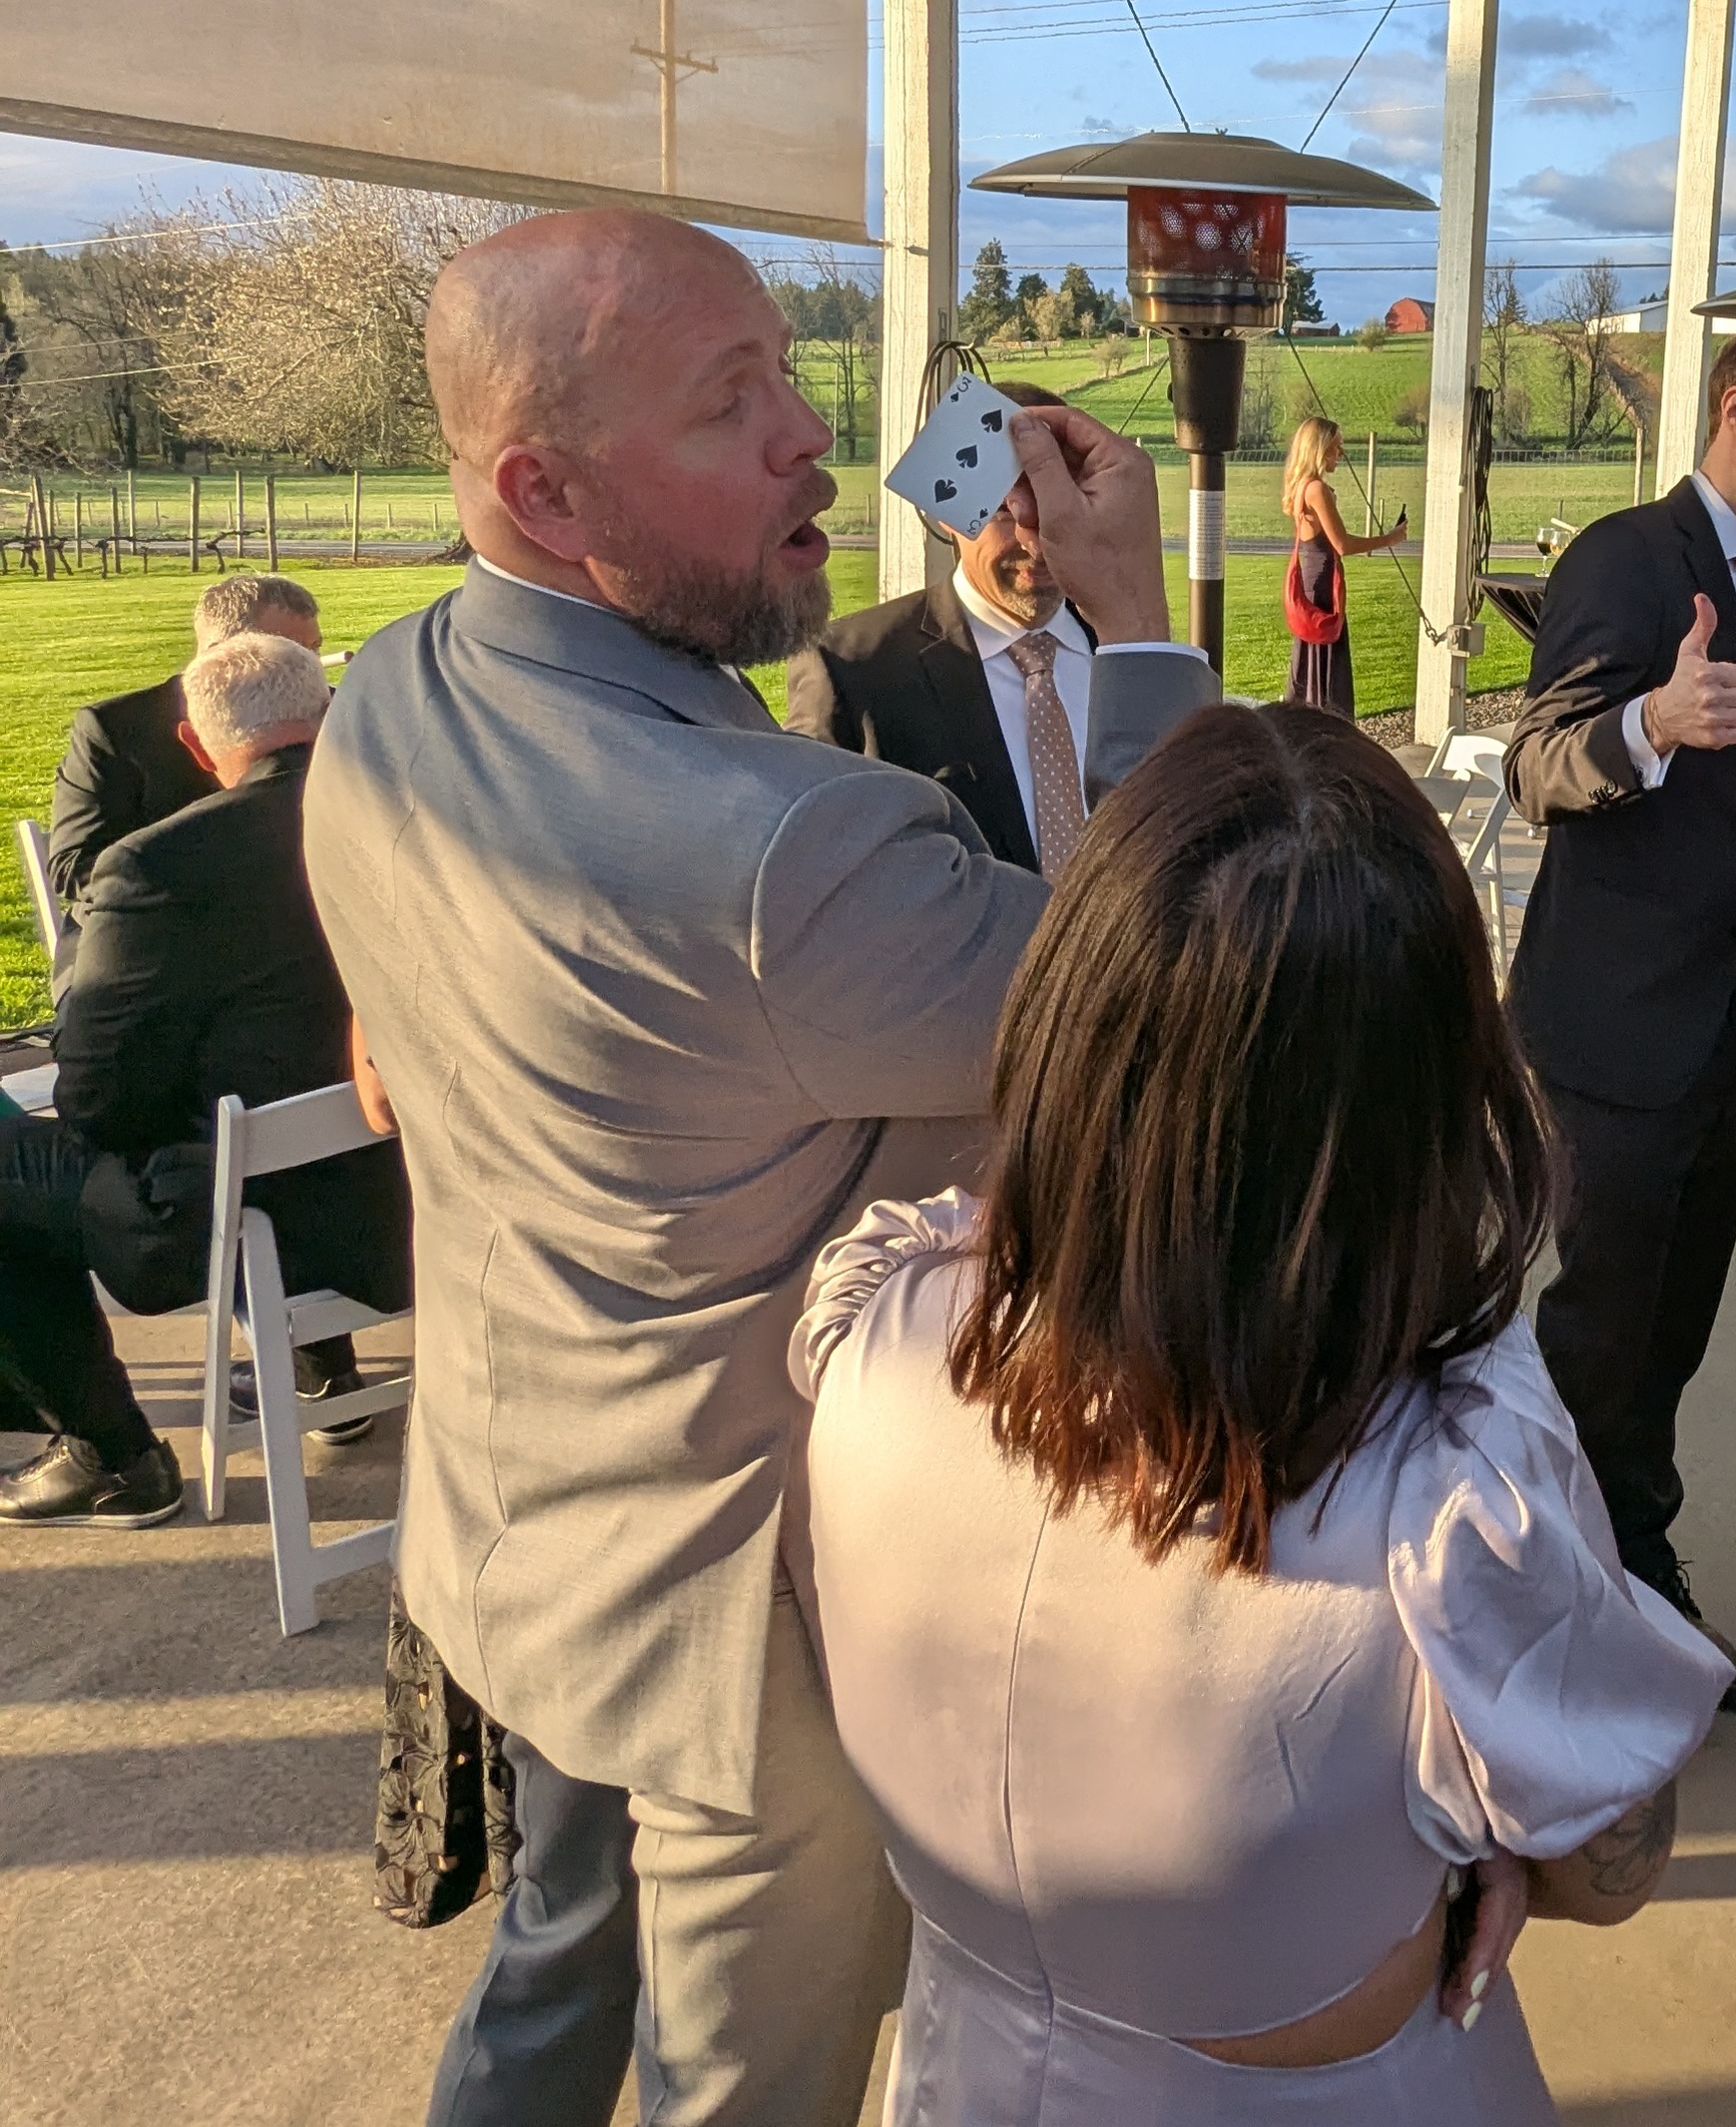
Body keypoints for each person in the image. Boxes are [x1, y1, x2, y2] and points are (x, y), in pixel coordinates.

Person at [301, 210, 1216, 2127]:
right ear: (546, 491)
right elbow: (1179, 1002)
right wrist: (1136, 620)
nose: (813, 438)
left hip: (508, 1522)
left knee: (547, 1978)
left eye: (788, 374)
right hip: (741, 1622)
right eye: (733, 403)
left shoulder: (387, 694)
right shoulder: (789, 853)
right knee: (744, 2083)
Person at [792, 700, 1732, 2124]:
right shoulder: (1447, 1484)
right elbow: (1609, 1862)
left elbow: (984, 1235)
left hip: (961, 2065)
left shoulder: (880, 1329)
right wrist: (1466, 1833)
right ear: (1435, 1087)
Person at [1500, 325, 1736, 1713]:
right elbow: (1539, 767)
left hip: (1721, 1030)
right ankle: (1550, 1604)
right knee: (1600, 1335)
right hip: (1613, 1033)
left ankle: (1631, 1567)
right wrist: (1651, 721)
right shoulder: (1627, 558)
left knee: (1670, 1334)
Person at [0, 631, 409, 1527]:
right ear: (327, 709)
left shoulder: (156, 867)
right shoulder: (422, 809)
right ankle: (317, 1368)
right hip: (424, 1201)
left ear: (194, 743)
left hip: (262, 1226)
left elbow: (92, 1093)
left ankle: (113, 1456)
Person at [786, 380, 1095, 875]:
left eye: (1058, 506)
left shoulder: (1131, 655)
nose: (1036, 543)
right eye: (1004, 512)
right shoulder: (852, 668)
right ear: (951, 514)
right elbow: (812, 874)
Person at [47, 572, 322, 909]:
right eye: (287, 653)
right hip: (155, 921)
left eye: (314, 651)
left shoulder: (329, 710)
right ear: (220, 654)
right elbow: (72, 864)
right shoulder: (115, 728)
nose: (310, 669)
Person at [1279, 414, 1408, 715]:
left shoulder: (1303, 486)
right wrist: (1389, 539)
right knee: (1325, 673)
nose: (1341, 453)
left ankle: (1309, 720)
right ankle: (1325, 723)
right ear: (1319, 449)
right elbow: (1342, 545)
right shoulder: (1316, 489)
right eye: (1336, 446)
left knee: (1311, 664)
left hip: (1313, 584)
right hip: (1322, 589)